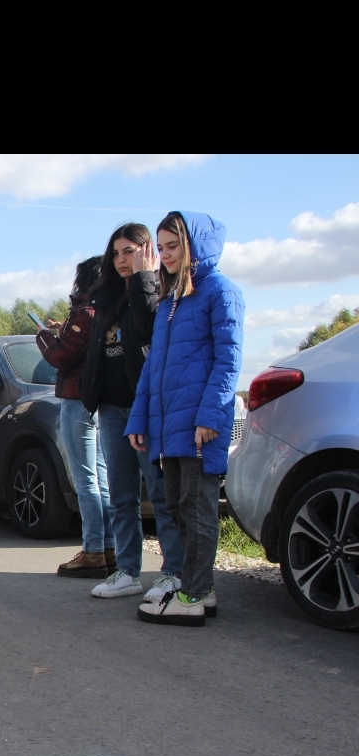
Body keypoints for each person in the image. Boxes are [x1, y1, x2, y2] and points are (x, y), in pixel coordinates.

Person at [129, 211, 245, 626]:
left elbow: (229, 361)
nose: (165, 255)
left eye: (173, 246)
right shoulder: (170, 303)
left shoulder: (221, 291)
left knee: (197, 512)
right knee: (178, 508)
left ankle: (193, 594)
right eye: (161, 248)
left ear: (196, 245)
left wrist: (211, 415)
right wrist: (138, 419)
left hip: (199, 424)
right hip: (168, 425)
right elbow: (153, 368)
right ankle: (202, 589)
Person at [79, 223, 186, 604]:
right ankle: (127, 570)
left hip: (148, 411)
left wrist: (144, 277)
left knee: (160, 495)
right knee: (121, 497)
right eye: (117, 253)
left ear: (148, 253)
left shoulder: (160, 290)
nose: (123, 260)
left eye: (131, 252)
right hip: (111, 409)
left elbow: (149, 330)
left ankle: (173, 572)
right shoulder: (106, 297)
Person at [34, 261, 115, 577]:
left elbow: (61, 357)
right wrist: (62, 331)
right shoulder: (102, 311)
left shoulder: (85, 313)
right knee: (100, 476)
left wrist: (43, 336)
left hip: (76, 398)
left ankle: (93, 551)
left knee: (85, 479)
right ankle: (108, 547)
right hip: (93, 400)